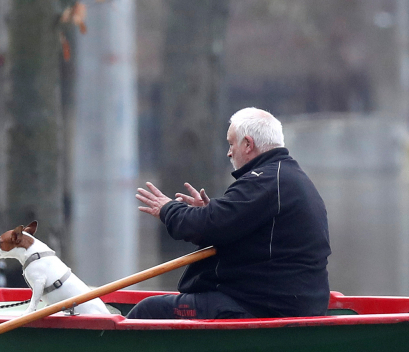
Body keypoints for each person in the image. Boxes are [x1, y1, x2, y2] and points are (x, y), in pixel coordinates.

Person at [132, 107, 330, 319]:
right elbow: (225, 225)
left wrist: (168, 209)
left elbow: (206, 225)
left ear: (247, 144)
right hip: (289, 302)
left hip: (265, 307)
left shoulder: (264, 181)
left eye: (230, 143)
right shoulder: (289, 177)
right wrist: (209, 214)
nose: (228, 152)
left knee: (149, 309)